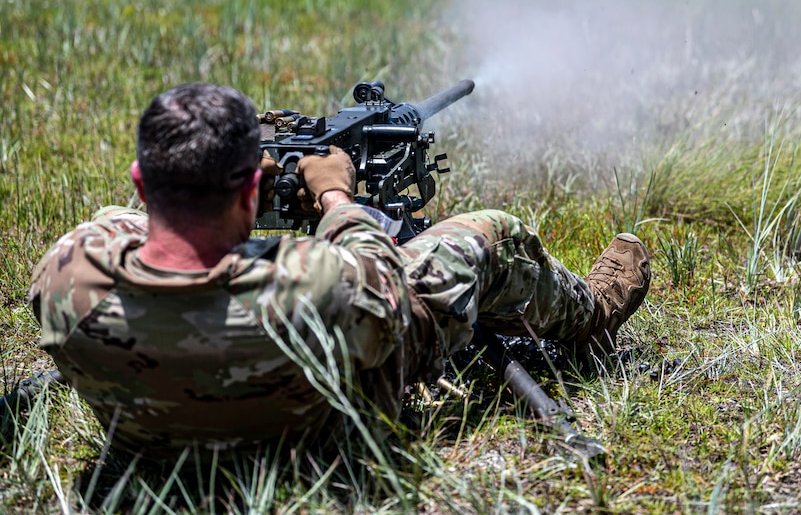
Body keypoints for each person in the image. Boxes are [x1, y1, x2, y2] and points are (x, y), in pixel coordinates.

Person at [29, 83, 651, 460]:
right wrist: (334, 198)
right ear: (251, 188)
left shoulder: (63, 282)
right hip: (330, 421)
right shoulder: (316, 286)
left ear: (143, 181)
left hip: (157, 438)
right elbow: (379, 279)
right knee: (487, 234)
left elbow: (122, 224)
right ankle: (591, 312)